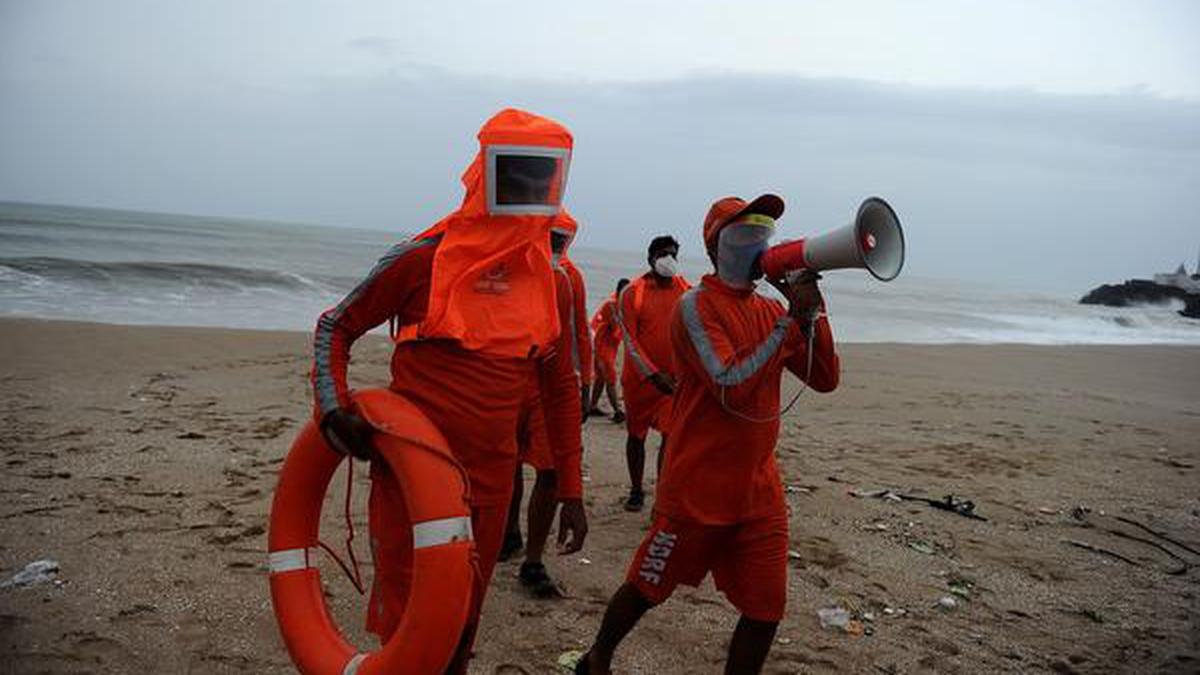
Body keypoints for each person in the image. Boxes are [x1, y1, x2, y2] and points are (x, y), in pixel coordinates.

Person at [311, 108, 588, 673]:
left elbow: (561, 389)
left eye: (546, 176)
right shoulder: (422, 258)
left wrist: (572, 489)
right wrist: (334, 409)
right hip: (411, 477)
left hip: (490, 487)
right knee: (409, 627)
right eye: (518, 171)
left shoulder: (550, 281)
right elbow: (335, 327)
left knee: (463, 624)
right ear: (483, 172)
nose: (532, 187)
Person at [575, 194, 840, 675]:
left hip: (758, 492)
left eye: (765, 229)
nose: (759, 237)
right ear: (716, 246)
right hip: (696, 490)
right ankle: (597, 659)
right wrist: (787, 322)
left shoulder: (767, 311)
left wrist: (812, 313)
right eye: (746, 230)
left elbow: (824, 378)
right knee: (647, 587)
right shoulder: (695, 306)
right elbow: (730, 383)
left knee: (766, 609)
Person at [500, 214, 588, 597]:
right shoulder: (510, 269)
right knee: (508, 465)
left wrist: (584, 380)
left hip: (551, 385)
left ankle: (533, 559)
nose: (554, 246)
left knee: (550, 469)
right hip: (510, 379)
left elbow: (577, 331)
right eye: (550, 237)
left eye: (560, 239)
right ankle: (509, 531)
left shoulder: (569, 279)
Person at [616, 236, 689, 511]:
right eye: (661, 254)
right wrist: (653, 375)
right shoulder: (633, 292)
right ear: (650, 258)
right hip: (640, 382)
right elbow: (630, 342)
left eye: (672, 254)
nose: (667, 259)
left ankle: (663, 494)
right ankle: (636, 489)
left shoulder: (685, 290)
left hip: (673, 383)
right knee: (637, 436)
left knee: (670, 438)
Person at [587, 278, 629, 422]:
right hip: (602, 345)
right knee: (610, 376)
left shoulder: (621, 304)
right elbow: (617, 328)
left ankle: (592, 406)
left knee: (601, 378)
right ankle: (617, 411)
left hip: (610, 346)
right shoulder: (611, 305)